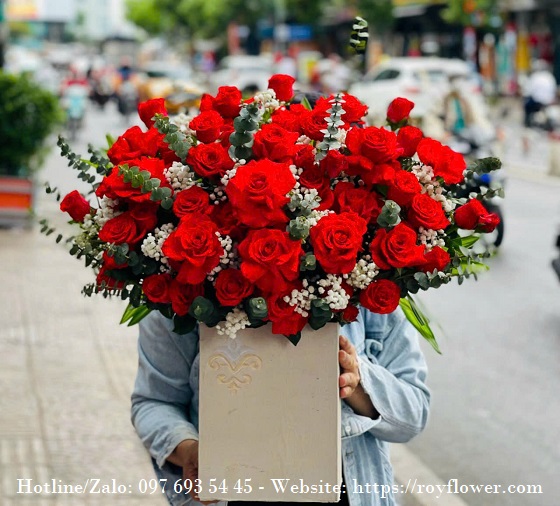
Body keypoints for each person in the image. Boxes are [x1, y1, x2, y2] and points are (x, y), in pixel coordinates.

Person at [131, 305, 430, 506]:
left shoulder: (376, 301)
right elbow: (154, 402)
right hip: (233, 494)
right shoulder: (178, 302)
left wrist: (357, 379)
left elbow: (414, 414)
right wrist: (190, 451)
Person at [522, 59, 557, 128]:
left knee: (527, 104)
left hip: (537, 102)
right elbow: (554, 90)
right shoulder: (550, 77)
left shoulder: (535, 77)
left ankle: (527, 122)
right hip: (549, 101)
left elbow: (528, 91)